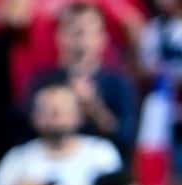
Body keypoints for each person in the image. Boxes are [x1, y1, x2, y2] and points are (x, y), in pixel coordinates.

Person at [30, 1, 140, 142]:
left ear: (102, 38)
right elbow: (23, 134)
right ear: (59, 36)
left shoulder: (119, 84)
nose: (82, 41)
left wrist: (94, 107)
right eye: (75, 32)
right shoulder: (41, 82)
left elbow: (126, 138)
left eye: (89, 31)